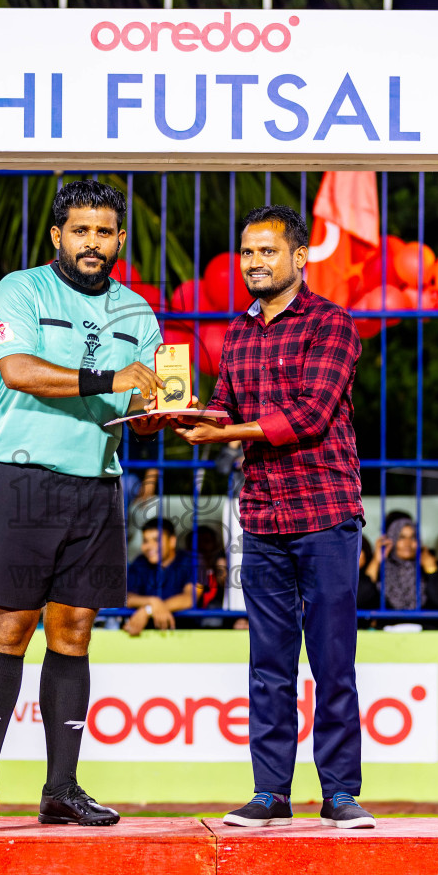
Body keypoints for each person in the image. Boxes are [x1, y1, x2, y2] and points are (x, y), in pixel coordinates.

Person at [0, 179, 167, 830]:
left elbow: (142, 405)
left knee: (74, 634)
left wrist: (159, 410)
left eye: (105, 233)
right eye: (81, 231)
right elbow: (17, 370)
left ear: (120, 239)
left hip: (98, 484)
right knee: (10, 629)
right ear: (58, 235)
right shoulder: (21, 289)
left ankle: (62, 788)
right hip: (22, 481)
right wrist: (111, 380)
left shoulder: (139, 313)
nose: (93, 243)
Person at [177, 204, 374, 831]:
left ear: (298, 257)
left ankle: (340, 794)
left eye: (267, 251)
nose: (255, 263)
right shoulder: (236, 334)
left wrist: (225, 432)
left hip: (324, 514)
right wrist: (178, 416)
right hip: (261, 516)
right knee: (267, 665)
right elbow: (222, 407)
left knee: (332, 660)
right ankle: (270, 794)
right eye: (247, 252)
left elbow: (312, 415)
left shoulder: (332, 325)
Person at [368, 519, 438, 630]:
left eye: (413, 537)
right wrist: (376, 561)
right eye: (401, 537)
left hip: (427, 635)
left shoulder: (432, 565)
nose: (408, 543)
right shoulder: (381, 568)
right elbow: (361, 599)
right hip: (387, 637)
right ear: (392, 540)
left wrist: (431, 570)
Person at [123, 518, 199, 635]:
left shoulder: (191, 561)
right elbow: (127, 598)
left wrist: (148, 610)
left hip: (184, 633)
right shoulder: (140, 562)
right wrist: (153, 601)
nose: (149, 546)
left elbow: (190, 598)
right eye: (145, 541)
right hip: (145, 635)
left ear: (172, 541)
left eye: (156, 540)